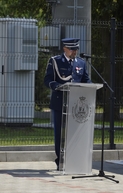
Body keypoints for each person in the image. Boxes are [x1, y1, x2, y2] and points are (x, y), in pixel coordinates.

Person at [43, 38, 92, 170]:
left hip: (76, 105)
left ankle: (75, 160)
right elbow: (47, 80)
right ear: (65, 48)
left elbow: (85, 79)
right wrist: (56, 86)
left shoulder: (81, 63)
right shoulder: (55, 61)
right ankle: (61, 161)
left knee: (75, 134)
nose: (74, 51)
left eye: (76, 49)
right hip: (60, 103)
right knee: (60, 134)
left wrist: (91, 86)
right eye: (72, 49)